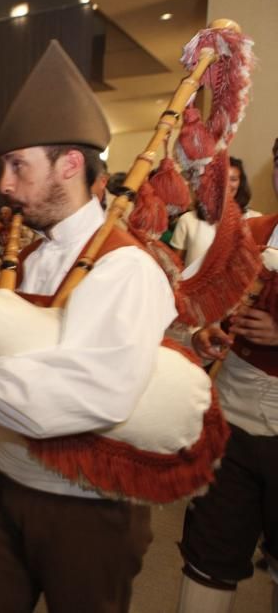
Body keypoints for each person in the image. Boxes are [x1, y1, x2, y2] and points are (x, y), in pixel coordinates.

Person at [0, 41, 175, 612]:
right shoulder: (29, 262)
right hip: (8, 478)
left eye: (17, 164)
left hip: (89, 506)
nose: (3, 183)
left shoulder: (126, 268)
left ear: (69, 165)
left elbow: (100, 395)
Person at [174, 139, 278, 613]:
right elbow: (193, 305)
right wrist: (203, 330)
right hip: (230, 424)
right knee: (209, 553)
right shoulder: (249, 233)